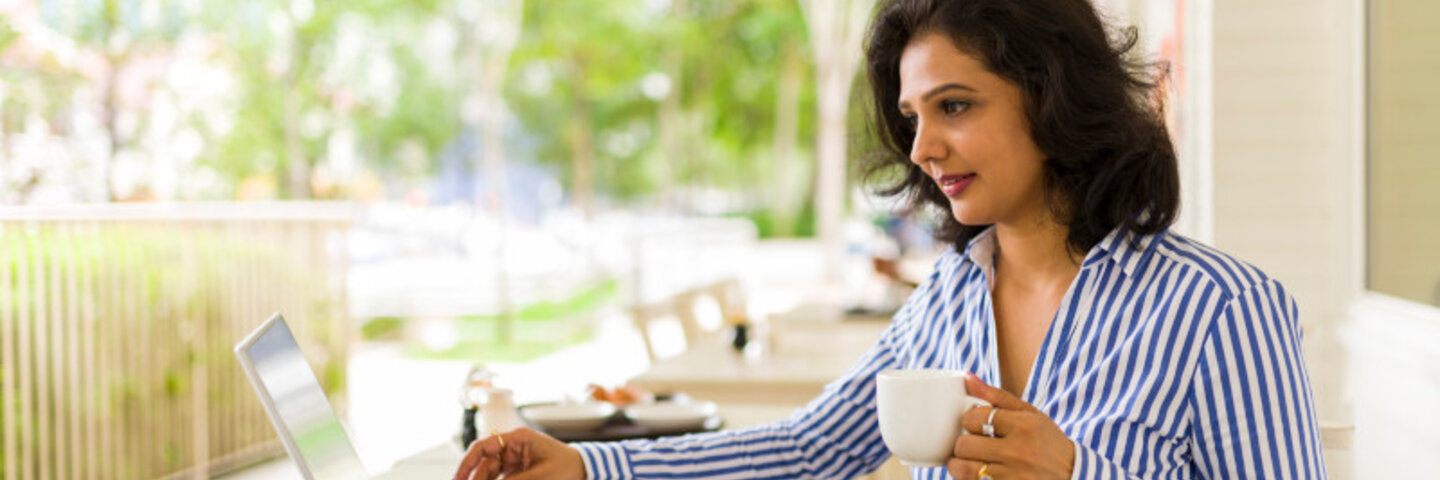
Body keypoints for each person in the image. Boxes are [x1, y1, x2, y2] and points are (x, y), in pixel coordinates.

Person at [453, 0, 1328, 478]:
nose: (920, 148)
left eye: (955, 105)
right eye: (912, 116)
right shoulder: (949, 297)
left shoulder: (1222, 309)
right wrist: (586, 472)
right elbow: (809, 447)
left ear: (1055, 98)